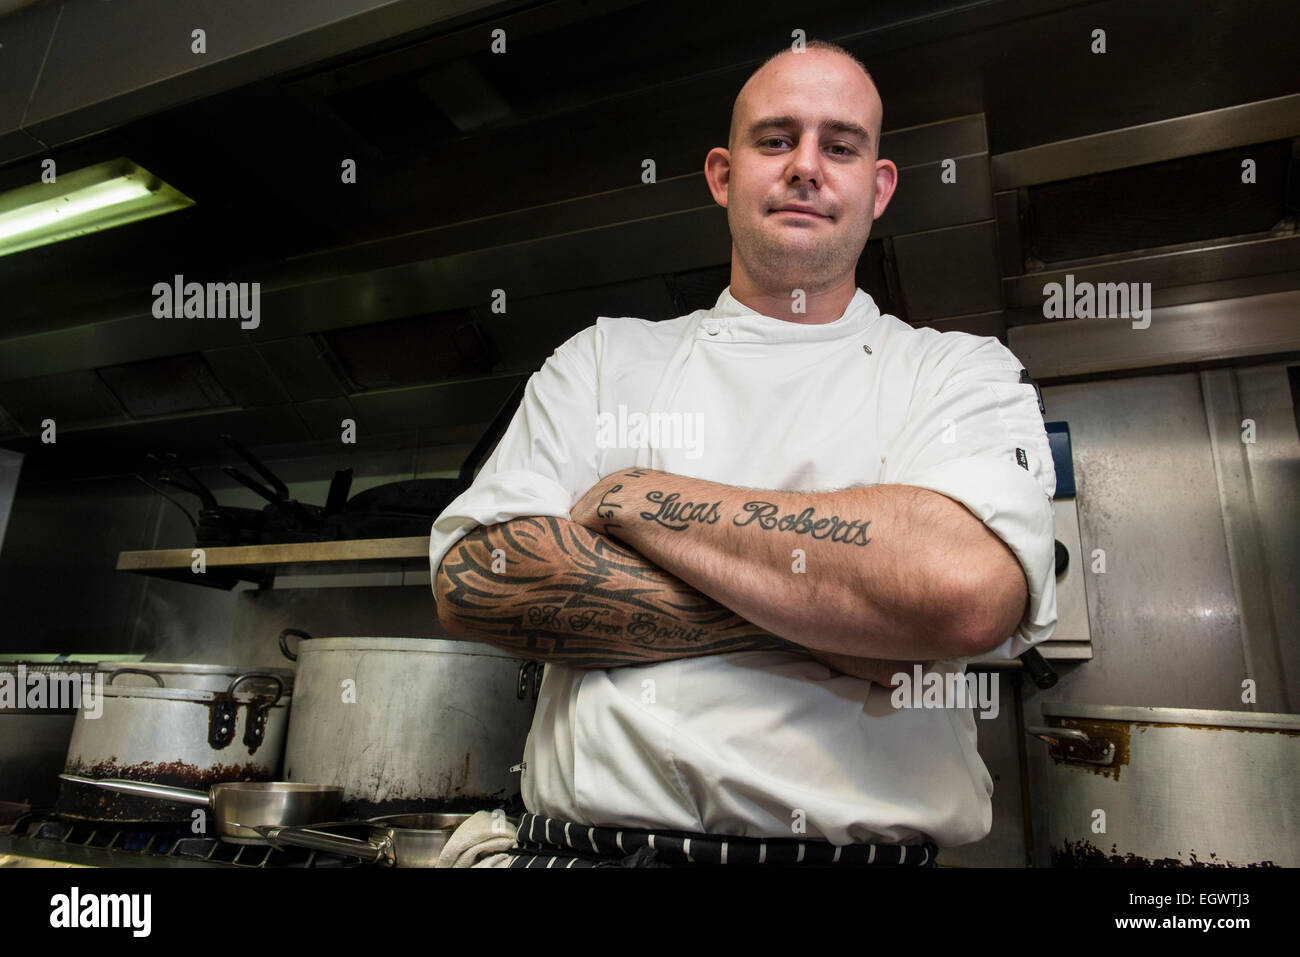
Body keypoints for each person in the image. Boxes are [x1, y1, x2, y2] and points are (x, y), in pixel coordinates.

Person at [429, 40, 1057, 868]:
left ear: (879, 186)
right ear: (723, 175)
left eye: (840, 145)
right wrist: (858, 624)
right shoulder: (605, 359)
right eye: (775, 139)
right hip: (585, 852)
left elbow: (963, 592)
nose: (806, 166)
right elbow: (478, 579)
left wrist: (634, 496)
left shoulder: (955, 372)